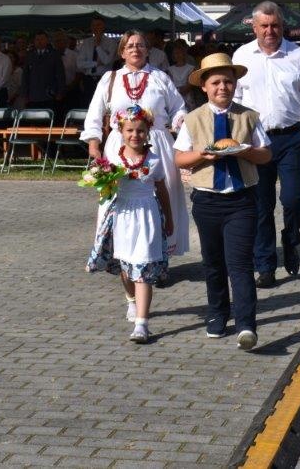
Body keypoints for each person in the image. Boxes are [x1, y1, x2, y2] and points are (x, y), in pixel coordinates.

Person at [232, 1, 300, 289]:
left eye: (275, 25)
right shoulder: (241, 57)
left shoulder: (299, 56)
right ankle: (265, 265)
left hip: (291, 138)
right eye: (264, 26)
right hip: (256, 141)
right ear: (254, 27)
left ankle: (291, 239)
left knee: (293, 199)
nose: (270, 31)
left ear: (283, 27)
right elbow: (233, 101)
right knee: (260, 205)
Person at [174, 53, 272, 349]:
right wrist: (202, 155)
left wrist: (245, 151)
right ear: (204, 86)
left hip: (241, 200)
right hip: (207, 201)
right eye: (216, 82)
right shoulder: (192, 119)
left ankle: (246, 325)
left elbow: (266, 154)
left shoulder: (248, 116)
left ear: (235, 84)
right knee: (213, 262)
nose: (222, 87)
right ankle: (217, 313)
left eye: (228, 81)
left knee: (240, 264)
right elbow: (179, 158)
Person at [81, 30, 190, 272]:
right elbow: (95, 113)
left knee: (162, 196)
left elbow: (178, 108)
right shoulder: (110, 78)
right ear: (122, 52)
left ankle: (158, 260)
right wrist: (93, 143)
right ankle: (121, 255)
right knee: (118, 198)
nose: (135, 49)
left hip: (157, 145)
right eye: (130, 46)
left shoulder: (160, 77)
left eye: (140, 45)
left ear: (148, 50)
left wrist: (181, 122)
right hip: (119, 147)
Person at [86, 106, 173, 344]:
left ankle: (142, 325)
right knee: (126, 267)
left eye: (141, 131)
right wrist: (101, 179)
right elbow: (105, 190)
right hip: (122, 215)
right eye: (130, 130)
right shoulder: (113, 159)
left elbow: (162, 190)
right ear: (121, 132)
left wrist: (169, 218)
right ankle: (131, 300)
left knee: (143, 268)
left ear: (148, 132)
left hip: (147, 216)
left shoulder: (154, 160)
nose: (135, 135)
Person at [20, 30, 66, 111]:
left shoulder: (54, 54)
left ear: (47, 40)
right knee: (34, 117)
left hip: (50, 94)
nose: (39, 42)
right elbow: (25, 76)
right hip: (33, 95)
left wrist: (60, 92)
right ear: (34, 41)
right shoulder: (29, 55)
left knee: (49, 116)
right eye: (37, 39)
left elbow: (60, 75)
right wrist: (24, 94)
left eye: (42, 39)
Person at [76, 15, 117, 103]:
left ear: (103, 27)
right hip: (89, 79)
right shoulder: (86, 42)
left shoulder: (111, 42)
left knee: (104, 104)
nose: (96, 27)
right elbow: (79, 64)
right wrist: (96, 63)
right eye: (93, 25)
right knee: (88, 104)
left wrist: (98, 46)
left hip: (104, 79)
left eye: (98, 25)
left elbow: (106, 61)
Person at [53, 31, 80, 111]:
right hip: (55, 91)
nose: (58, 43)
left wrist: (70, 87)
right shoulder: (51, 55)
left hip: (71, 89)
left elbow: (79, 73)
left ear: (66, 42)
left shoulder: (74, 55)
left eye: (60, 40)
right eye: (56, 41)